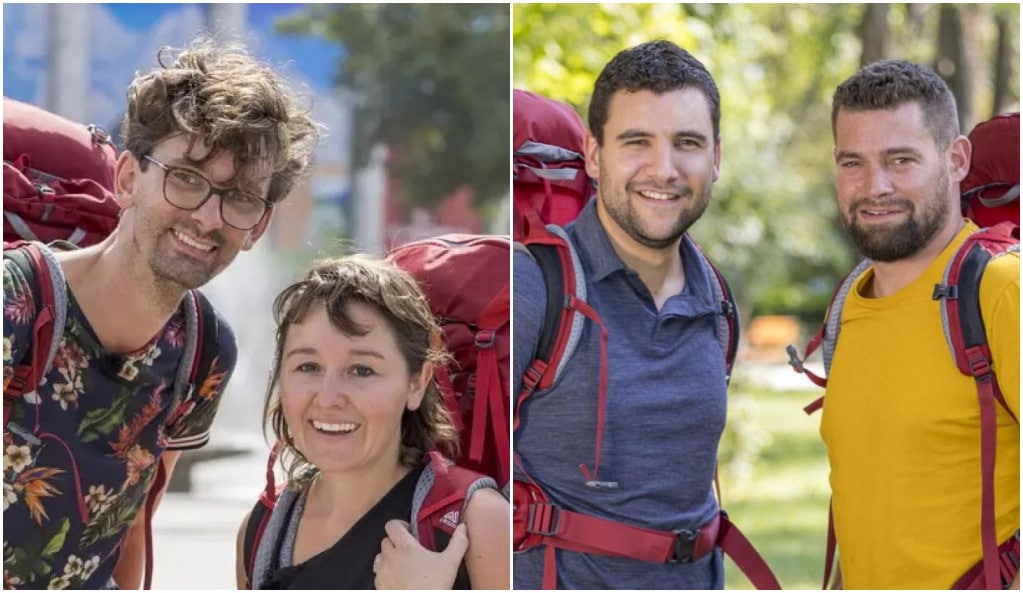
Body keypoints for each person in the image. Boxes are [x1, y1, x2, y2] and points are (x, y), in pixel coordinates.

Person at [2, 37, 319, 589]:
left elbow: (132, 525)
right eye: (187, 178)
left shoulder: (203, 349)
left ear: (258, 228)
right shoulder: (16, 302)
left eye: (240, 197)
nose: (207, 217)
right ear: (127, 179)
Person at [513, 40, 732, 589]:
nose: (664, 169)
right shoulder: (537, 286)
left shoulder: (717, 298)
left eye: (687, 143)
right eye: (637, 142)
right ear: (593, 154)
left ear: (716, 157)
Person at [822, 59, 1020, 589]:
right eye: (852, 163)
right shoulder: (849, 306)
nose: (874, 186)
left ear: (956, 159)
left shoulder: (1002, 290)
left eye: (901, 159)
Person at [236, 255, 510, 590]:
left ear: (417, 383)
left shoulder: (482, 523)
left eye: (362, 370)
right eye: (308, 367)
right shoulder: (262, 530)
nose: (328, 398)